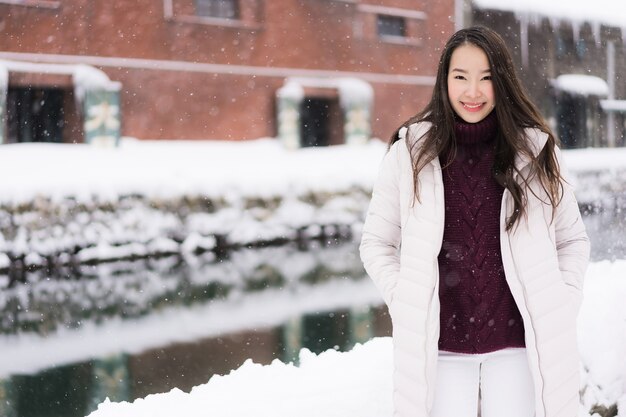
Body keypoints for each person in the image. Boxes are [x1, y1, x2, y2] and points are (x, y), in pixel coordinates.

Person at [359, 26, 590, 417]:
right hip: (439, 349)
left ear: (502, 82)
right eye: (461, 77)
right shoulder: (410, 154)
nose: (473, 91)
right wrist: (404, 298)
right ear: (444, 80)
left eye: (486, 78)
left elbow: (572, 240)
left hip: (519, 347)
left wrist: (562, 301)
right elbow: (377, 243)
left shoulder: (536, 152)